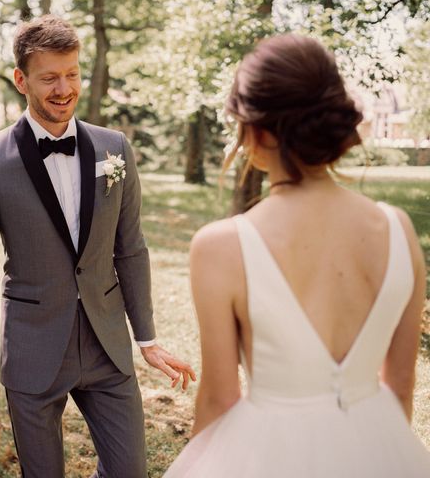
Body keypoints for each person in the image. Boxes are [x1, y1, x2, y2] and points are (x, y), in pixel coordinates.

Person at [165, 34, 430, 477]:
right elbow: (401, 386)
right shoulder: (397, 228)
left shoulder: (221, 246)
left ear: (258, 130)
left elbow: (219, 397)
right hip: (379, 448)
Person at [0, 15, 195, 478]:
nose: (64, 88)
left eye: (72, 74)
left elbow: (131, 248)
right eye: (49, 78)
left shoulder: (115, 149)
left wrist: (146, 339)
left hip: (107, 347)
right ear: (21, 80)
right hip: (32, 349)